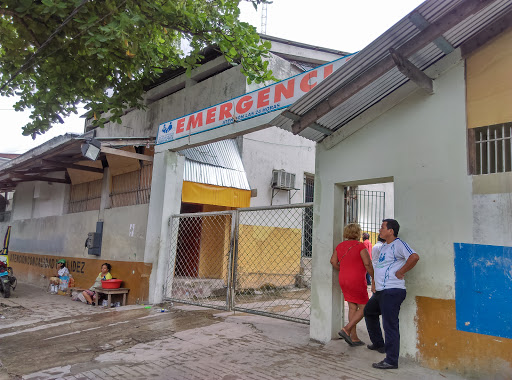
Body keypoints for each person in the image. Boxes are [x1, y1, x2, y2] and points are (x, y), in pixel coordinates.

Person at [364, 219, 420, 370]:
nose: (380, 230)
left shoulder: (399, 244)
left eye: (382, 227)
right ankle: (378, 344)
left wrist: (401, 271)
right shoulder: (383, 247)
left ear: (391, 231)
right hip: (382, 290)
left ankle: (391, 360)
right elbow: (380, 266)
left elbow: (414, 257)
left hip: (392, 290)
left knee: (390, 325)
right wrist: (375, 282)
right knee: (369, 312)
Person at [330, 223, 374, 347]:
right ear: (357, 233)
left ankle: (354, 338)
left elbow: (333, 261)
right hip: (356, 280)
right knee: (365, 307)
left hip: (343, 278)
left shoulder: (340, 246)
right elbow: (368, 264)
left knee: (352, 307)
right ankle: (346, 329)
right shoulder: (360, 246)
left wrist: (343, 269)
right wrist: (374, 277)